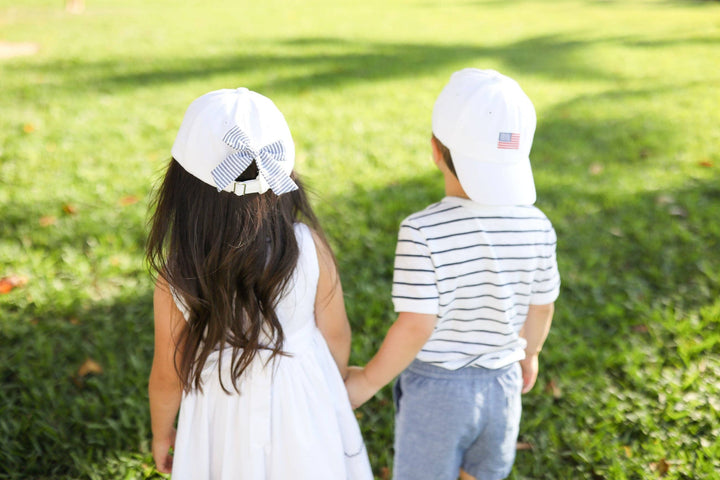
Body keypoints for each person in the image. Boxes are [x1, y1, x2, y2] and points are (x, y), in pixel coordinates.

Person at [146, 88, 373, 480]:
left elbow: (169, 374)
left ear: (181, 183)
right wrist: (328, 389)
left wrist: (161, 432)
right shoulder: (307, 246)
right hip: (302, 398)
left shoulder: (178, 273)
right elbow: (336, 335)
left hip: (221, 407)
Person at [345, 69, 560, 480]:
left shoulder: (422, 231)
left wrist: (368, 381)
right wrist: (529, 355)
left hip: (438, 392)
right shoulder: (538, 224)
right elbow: (542, 306)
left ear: (435, 150)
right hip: (504, 384)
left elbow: (416, 325)